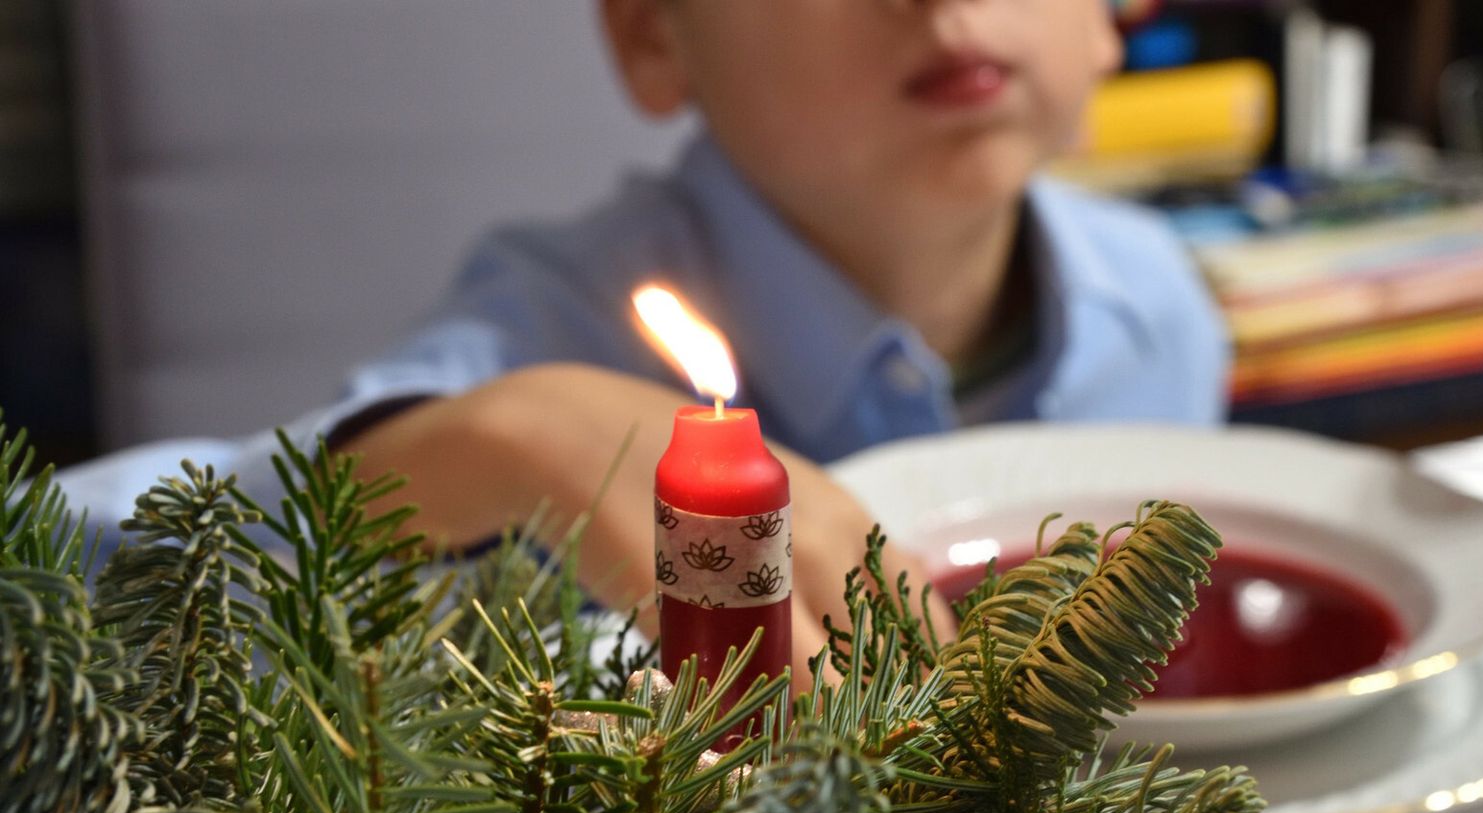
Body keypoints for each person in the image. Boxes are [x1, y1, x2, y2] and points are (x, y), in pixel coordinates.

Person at [58, 0, 1227, 670]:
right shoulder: (550, 340)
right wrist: (494, 441)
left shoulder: (1163, 314)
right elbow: (66, 582)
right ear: (653, 38)